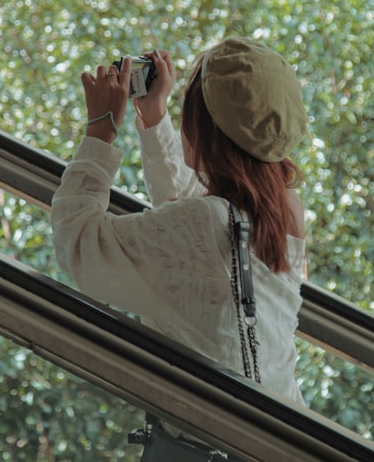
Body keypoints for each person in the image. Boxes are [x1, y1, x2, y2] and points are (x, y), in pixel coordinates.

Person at [50, 38, 309, 457]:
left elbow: (77, 245)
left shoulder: (204, 227)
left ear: (204, 128)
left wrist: (101, 128)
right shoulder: (284, 208)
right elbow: (196, 232)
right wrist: (153, 117)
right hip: (279, 441)